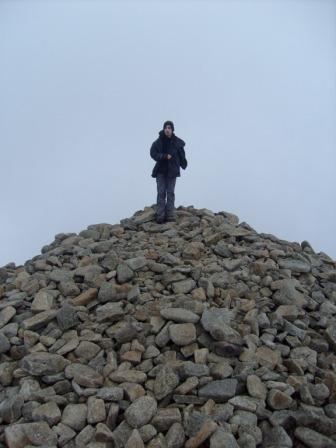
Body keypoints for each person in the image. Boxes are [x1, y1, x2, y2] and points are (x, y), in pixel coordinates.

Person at [150, 121, 188, 223]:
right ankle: (160, 217)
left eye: (169, 128)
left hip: (172, 171)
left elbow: (181, 154)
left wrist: (183, 163)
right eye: (166, 128)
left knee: (170, 193)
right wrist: (163, 156)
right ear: (163, 129)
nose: (167, 129)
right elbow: (152, 153)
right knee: (161, 193)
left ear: (172, 130)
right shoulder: (158, 142)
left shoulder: (177, 142)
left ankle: (170, 216)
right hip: (160, 172)